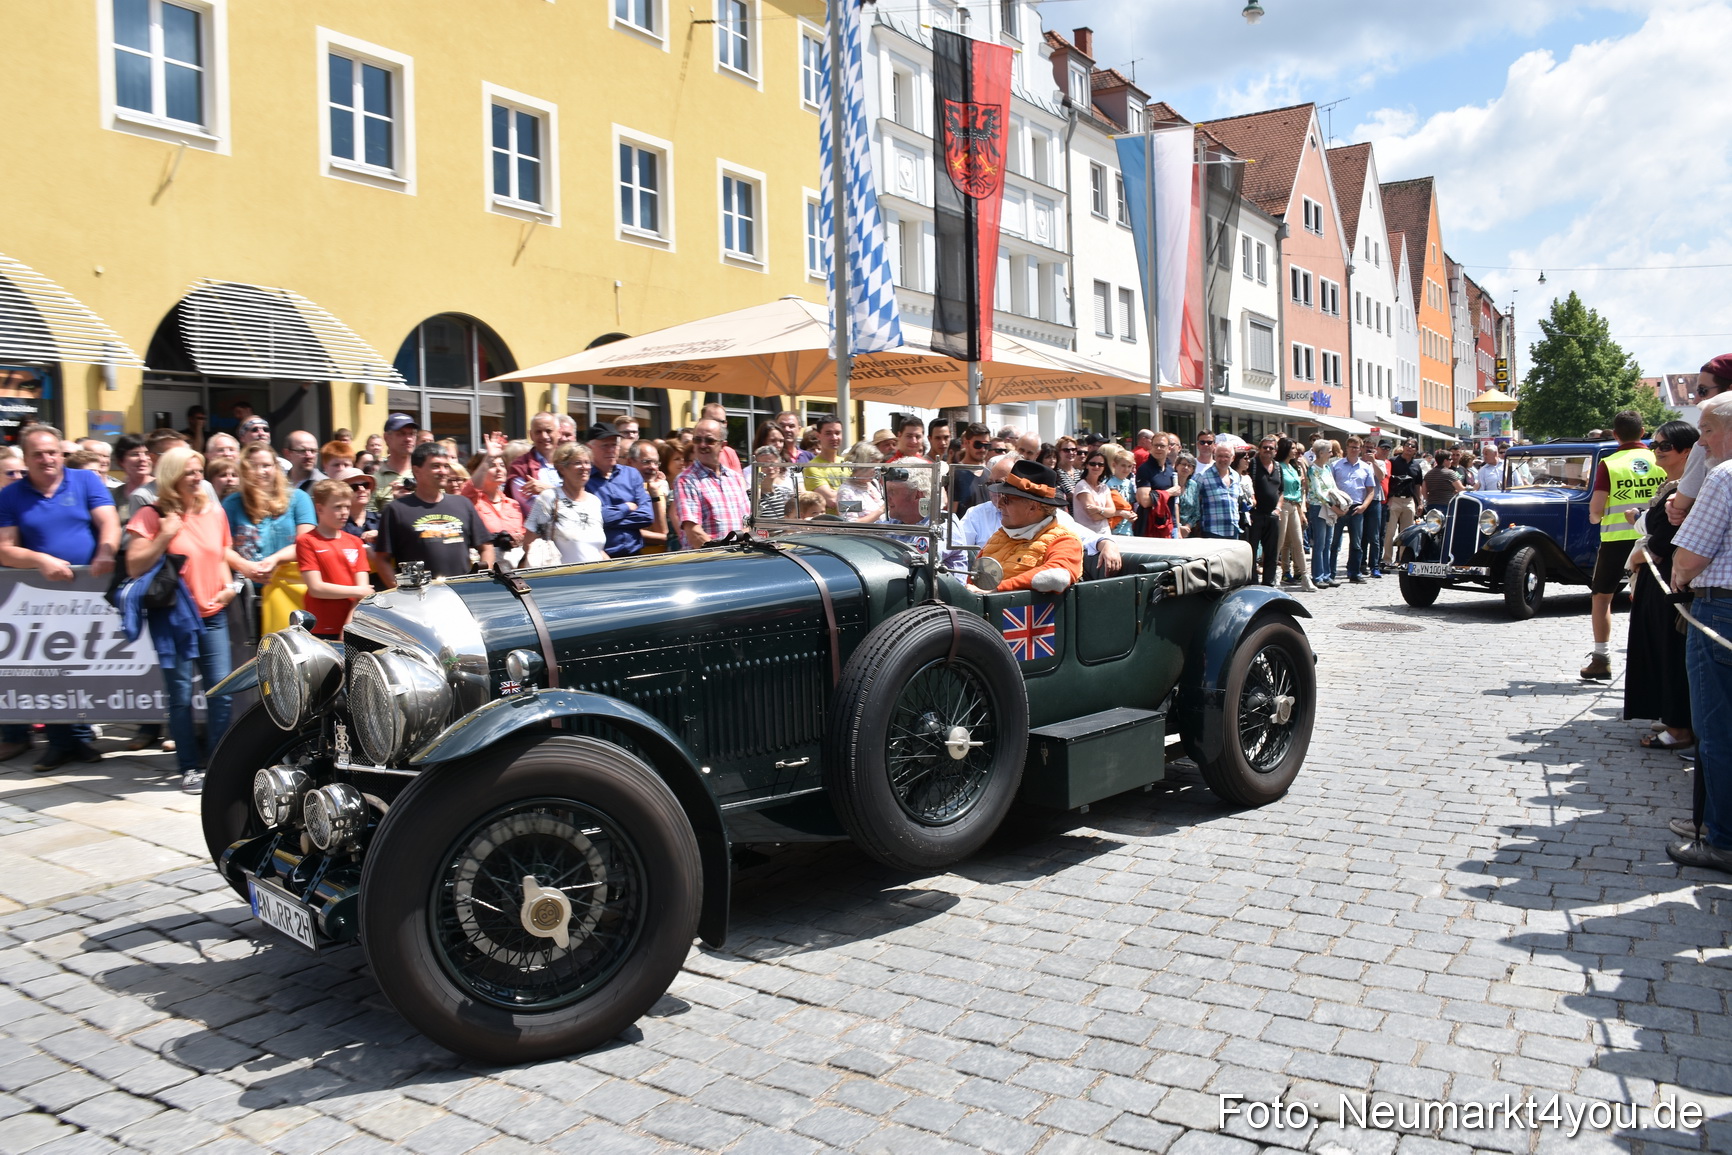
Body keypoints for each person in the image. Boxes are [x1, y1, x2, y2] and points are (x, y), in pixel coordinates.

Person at [123, 447, 246, 793]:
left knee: (221, 691)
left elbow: (220, 553)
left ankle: (218, 761)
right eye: (191, 472)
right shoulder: (153, 514)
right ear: (172, 475)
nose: (198, 478)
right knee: (179, 694)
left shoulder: (214, 512)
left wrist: (229, 588)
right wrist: (164, 534)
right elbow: (133, 565)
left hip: (214, 614)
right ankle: (189, 765)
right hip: (172, 616)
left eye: (200, 471)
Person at [0, 424, 120, 770]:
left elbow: (110, 523)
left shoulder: (85, 481)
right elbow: (5, 549)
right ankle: (58, 742)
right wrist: (41, 560)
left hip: (89, 593)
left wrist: (106, 551)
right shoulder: (11, 495)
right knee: (49, 671)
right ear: (25, 458)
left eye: (52, 451)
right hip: (41, 597)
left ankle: (81, 740)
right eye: (37, 454)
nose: (46, 458)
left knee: (84, 668)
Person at [1666, 392, 1732, 872]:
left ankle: (1723, 837)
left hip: (1721, 611)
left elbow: (1690, 558)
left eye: (1707, 430)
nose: (1701, 442)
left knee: (1717, 730)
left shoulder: (1724, 476)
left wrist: (1679, 574)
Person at [1624, 421, 1698, 752]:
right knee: (1658, 649)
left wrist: (1644, 547)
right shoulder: (1672, 487)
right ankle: (1672, 715)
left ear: (1686, 451)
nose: (1656, 450)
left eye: (1664, 446)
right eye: (1654, 444)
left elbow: (1664, 539)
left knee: (1671, 652)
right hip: (1657, 579)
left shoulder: (1687, 489)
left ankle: (1680, 726)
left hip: (1670, 581)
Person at [1582, 410, 1664, 681]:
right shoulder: (1660, 458)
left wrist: (1598, 517)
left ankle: (1601, 658)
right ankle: (1653, 660)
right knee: (1653, 598)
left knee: (1602, 597)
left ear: (1615, 435)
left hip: (1616, 541)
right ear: (1643, 432)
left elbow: (1596, 510)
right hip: (1653, 538)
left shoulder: (1610, 462)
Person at [224, 443, 315, 636]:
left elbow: (307, 542)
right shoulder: (232, 504)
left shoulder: (299, 499)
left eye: (266, 465)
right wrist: (245, 567)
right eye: (253, 466)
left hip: (290, 591)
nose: (260, 472)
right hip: (245, 594)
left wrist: (274, 560)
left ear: (276, 467)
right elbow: (220, 547)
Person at [374, 442, 494, 584]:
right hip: (420, 598)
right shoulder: (396, 509)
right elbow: (382, 559)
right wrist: (399, 591)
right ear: (416, 471)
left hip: (462, 593)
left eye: (446, 466)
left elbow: (486, 547)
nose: (443, 471)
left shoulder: (462, 504)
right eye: (435, 466)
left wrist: (482, 580)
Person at [973, 461, 1084, 593]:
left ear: (1033, 506)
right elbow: (973, 580)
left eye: (1007, 499)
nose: (1000, 504)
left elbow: (1058, 577)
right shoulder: (998, 537)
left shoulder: (1064, 541)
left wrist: (998, 589)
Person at [295, 480, 372, 640]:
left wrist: (350, 623)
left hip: (353, 624)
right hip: (320, 624)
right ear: (319, 508)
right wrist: (357, 591)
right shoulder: (307, 541)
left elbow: (362, 591)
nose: (344, 512)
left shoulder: (355, 542)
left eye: (347, 507)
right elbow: (316, 588)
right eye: (337, 507)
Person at [523, 442, 608, 564]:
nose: (584, 467)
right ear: (562, 468)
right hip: (561, 578)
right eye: (578, 463)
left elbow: (596, 549)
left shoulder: (594, 502)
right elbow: (528, 544)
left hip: (594, 577)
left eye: (587, 462)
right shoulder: (549, 498)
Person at [673, 418, 750, 549]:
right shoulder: (686, 480)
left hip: (737, 560)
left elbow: (748, 525)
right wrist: (722, 555)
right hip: (707, 563)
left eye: (709, 440)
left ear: (723, 445)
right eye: (697, 440)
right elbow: (694, 533)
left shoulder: (735, 478)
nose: (702, 445)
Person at [1328, 437, 1378, 584]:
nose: (1353, 450)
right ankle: (1330, 573)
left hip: (1357, 508)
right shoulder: (1335, 465)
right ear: (1346, 447)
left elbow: (1371, 491)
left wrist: (1364, 506)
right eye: (1351, 447)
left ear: (1361, 449)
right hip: (1339, 508)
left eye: (1356, 447)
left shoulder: (1366, 467)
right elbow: (1329, 488)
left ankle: (1354, 573)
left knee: (1356, 544)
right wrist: (1335, 507)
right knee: (1334, 543)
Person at [463, 451, 524, 557]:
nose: (499, 470)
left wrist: (519, 539)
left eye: (502, 465)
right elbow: (468, 489)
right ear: (477, 471)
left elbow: (523, 533)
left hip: (513, 564)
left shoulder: (513, 504)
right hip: (484, 563)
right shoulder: (471, 501)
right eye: (492, 466)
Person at [1274, 439, 1315, 592]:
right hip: (1283, 504)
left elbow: (1300, 490)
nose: (1295, 451)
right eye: (1292, 448)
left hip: (1294, 505)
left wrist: (1300, 511)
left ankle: (1305, 576)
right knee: (1279, 542)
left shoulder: (1293, 467)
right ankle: (1274, 575)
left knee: (1298, 542)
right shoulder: (1278, 466)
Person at [1307, 440, 1346, 587]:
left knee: (1328, 542)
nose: (1331, 453)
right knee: (1320, 543)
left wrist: (1339, 502)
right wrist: (1333, 506)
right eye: (1329, 451)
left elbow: (1333, 487)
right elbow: (1317, 492)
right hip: (1319, 508)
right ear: (1321, 453)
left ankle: (1327, 575)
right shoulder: (1312, 469)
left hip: (1330, 507)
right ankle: (1317, 576)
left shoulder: (1327, 468)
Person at [1186, 442, 1243, 540]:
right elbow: (1193, 501)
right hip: (1212, 531)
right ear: (1214, 456)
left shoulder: (1236, 476)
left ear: (1232, 458)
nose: (1223, 459)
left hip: (1233, 530)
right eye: (1220, 455)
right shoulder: (1202, 476)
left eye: (1226, 456)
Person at [1247, 436, 1283, 585]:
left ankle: (1269, 582)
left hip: (1272, 515)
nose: (1267, 450)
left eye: (1271, 448)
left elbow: (1281, 491)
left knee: (1271, 551)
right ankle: (1253, 582)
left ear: (1275, 451)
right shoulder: (1252, 465)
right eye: (1265, 447)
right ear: (1260, 449)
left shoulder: (1278, 467)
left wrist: (1278, 509)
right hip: (1256, 515)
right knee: (1252, 551)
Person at [626, 440, 671, 551]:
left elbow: (662, 530)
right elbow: (626, 531)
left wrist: (654, 493)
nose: (653, 467)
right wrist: (666, 538)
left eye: (656, 463)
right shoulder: (622, 490)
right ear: (630, 462)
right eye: (646, 462)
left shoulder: (658, 488)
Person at [372, 412, 420, 511]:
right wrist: (396, 504)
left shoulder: (424, 472)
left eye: (412, 434)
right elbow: (370, 521)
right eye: (401, 434)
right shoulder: (375, 480)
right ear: (386, 438)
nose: (408, 439)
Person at [801, 417, 847, 514]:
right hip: (830, 524)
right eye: (828, 433)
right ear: (818, 436)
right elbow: (833, 501)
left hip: (855, 524)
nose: (834, 437)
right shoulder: (812, 467)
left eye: (837, 433)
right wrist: (860, 502)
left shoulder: (847, 462)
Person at [1071, 449, 1123, 535]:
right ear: (1087, 465)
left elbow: (1112, 511)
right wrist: (1107, 513)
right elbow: (1094, 516)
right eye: (1093, 464)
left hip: (1105, 533)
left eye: (1100, 464)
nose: (1096, 467)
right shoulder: (1082, 486)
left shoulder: (1104, 487)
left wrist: (1098, 509)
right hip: (1086, 535)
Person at [948, 422, 993, 512]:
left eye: (986, 445)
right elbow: (951, 513)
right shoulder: (955, 473)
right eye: (977, 444)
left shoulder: (989, 474)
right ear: (966, 443)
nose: (982, 449)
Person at [1362, 439, 1390, 578]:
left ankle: (1374, 566)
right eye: (1366, 448)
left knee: (1375, 536)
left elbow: (1381, 477)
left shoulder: (1379, 463)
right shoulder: (1357, 463)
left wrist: (1372, 462)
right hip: (1359, 501)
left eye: (1371, 449)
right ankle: (1360, 564)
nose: (1369, 451)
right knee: (1361, 536)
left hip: (1375, 501)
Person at [838, 442, 887, 522]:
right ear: (861, 465)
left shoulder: (874, 483)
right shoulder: (847, 492)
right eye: (873, 466)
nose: (876, 470)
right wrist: (881, 510)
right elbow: (851, 525)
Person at [752, 446, 797, 520]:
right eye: (764, 465)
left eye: (773, 464)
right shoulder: (751, 496)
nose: (770, 468)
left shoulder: (787, 493)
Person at [1104, 447, 1137, 536]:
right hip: (1112, 527)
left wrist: (1133, 514)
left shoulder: (1130, 484)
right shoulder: (1107, 483)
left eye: (1129, 466)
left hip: (1127, 528)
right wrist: (1120, 513)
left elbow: (1130, 504)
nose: (1126, 469)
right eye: (1123, 465)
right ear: (1114, 465)